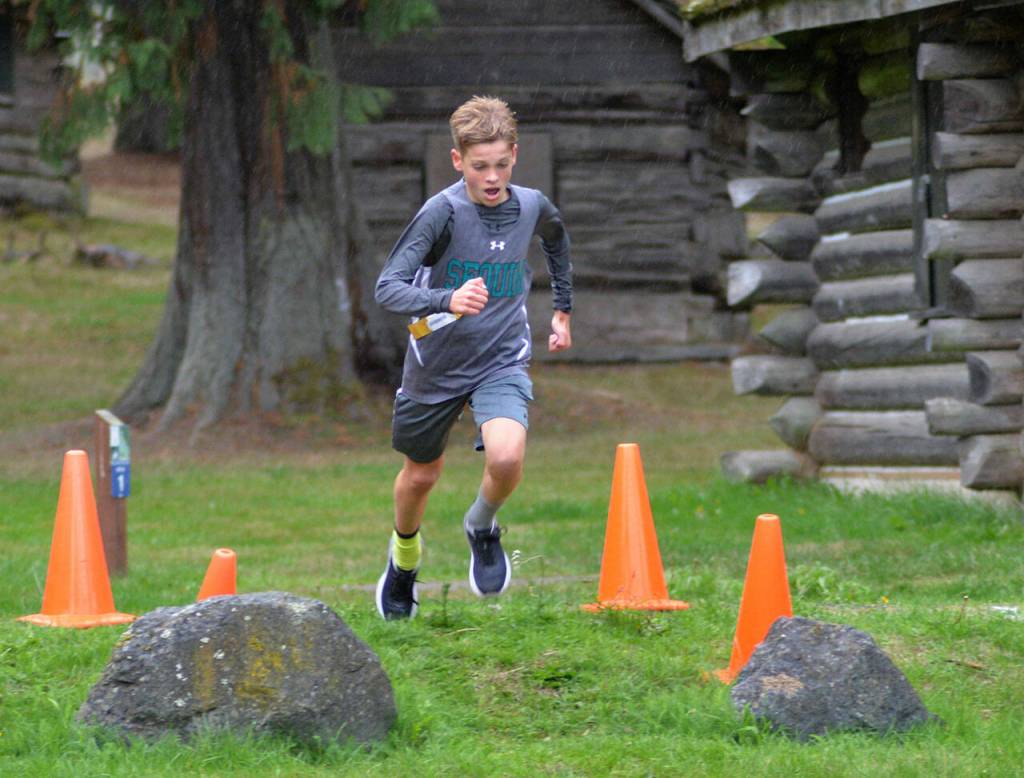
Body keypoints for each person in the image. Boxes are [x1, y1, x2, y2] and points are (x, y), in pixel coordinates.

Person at [373, 95, 573, 620]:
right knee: (421, 476)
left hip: (501, 359)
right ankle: (404, 561)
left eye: (501, 165)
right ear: (457, 160)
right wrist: (446, 298)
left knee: (507, 456)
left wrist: (563, 309)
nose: (491, 177)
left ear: (515, 155)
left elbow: (556, 238)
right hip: (436, 364)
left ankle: (482, 525)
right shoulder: (441, 214)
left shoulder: (530, 205)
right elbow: (388, 288)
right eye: (479, 166)